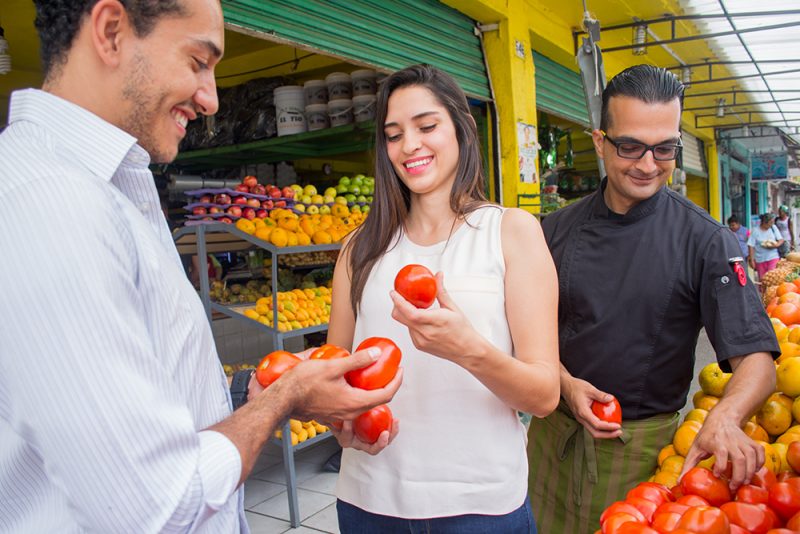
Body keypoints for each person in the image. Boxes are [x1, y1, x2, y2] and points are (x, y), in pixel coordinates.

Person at [0, 1, 400, 532]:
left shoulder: (108, 184)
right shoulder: (54, 202)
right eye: (197, 61)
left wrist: (250, 398)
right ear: (111, 31)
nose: (210, 99)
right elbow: (155, 506)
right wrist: (282, 399)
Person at [527, 65, 779, 534]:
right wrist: (563, 382)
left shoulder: (706, 241)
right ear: (600, 141)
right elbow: (522, 333)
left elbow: (758, 361)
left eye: (664, 149)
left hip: (640, 451)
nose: (647, 164)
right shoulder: (552, 231)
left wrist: (725, 416)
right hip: (550, 439)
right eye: (630, 147)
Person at [326, 64, 561, 533]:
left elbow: (544, 394)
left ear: (462, 128)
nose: (409, 145)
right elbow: (336, 372)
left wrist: (469, 350)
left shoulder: (510, 232)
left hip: (481, 507)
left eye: (426, 126)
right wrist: (341, 420)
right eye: (393, 135)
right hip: (370, 501)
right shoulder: (360, 248)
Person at [747, 212, 784, 282]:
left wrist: (776, 245)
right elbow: (750, 245)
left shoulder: (773, 228)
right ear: (764, 222)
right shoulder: (755, 231)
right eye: (770, 222)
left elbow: (781, 240)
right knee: (763, 280)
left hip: (773, 257)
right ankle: (763, 293)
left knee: (773, 278)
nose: (772, 224)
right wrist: (751, 260)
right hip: (760, 259)